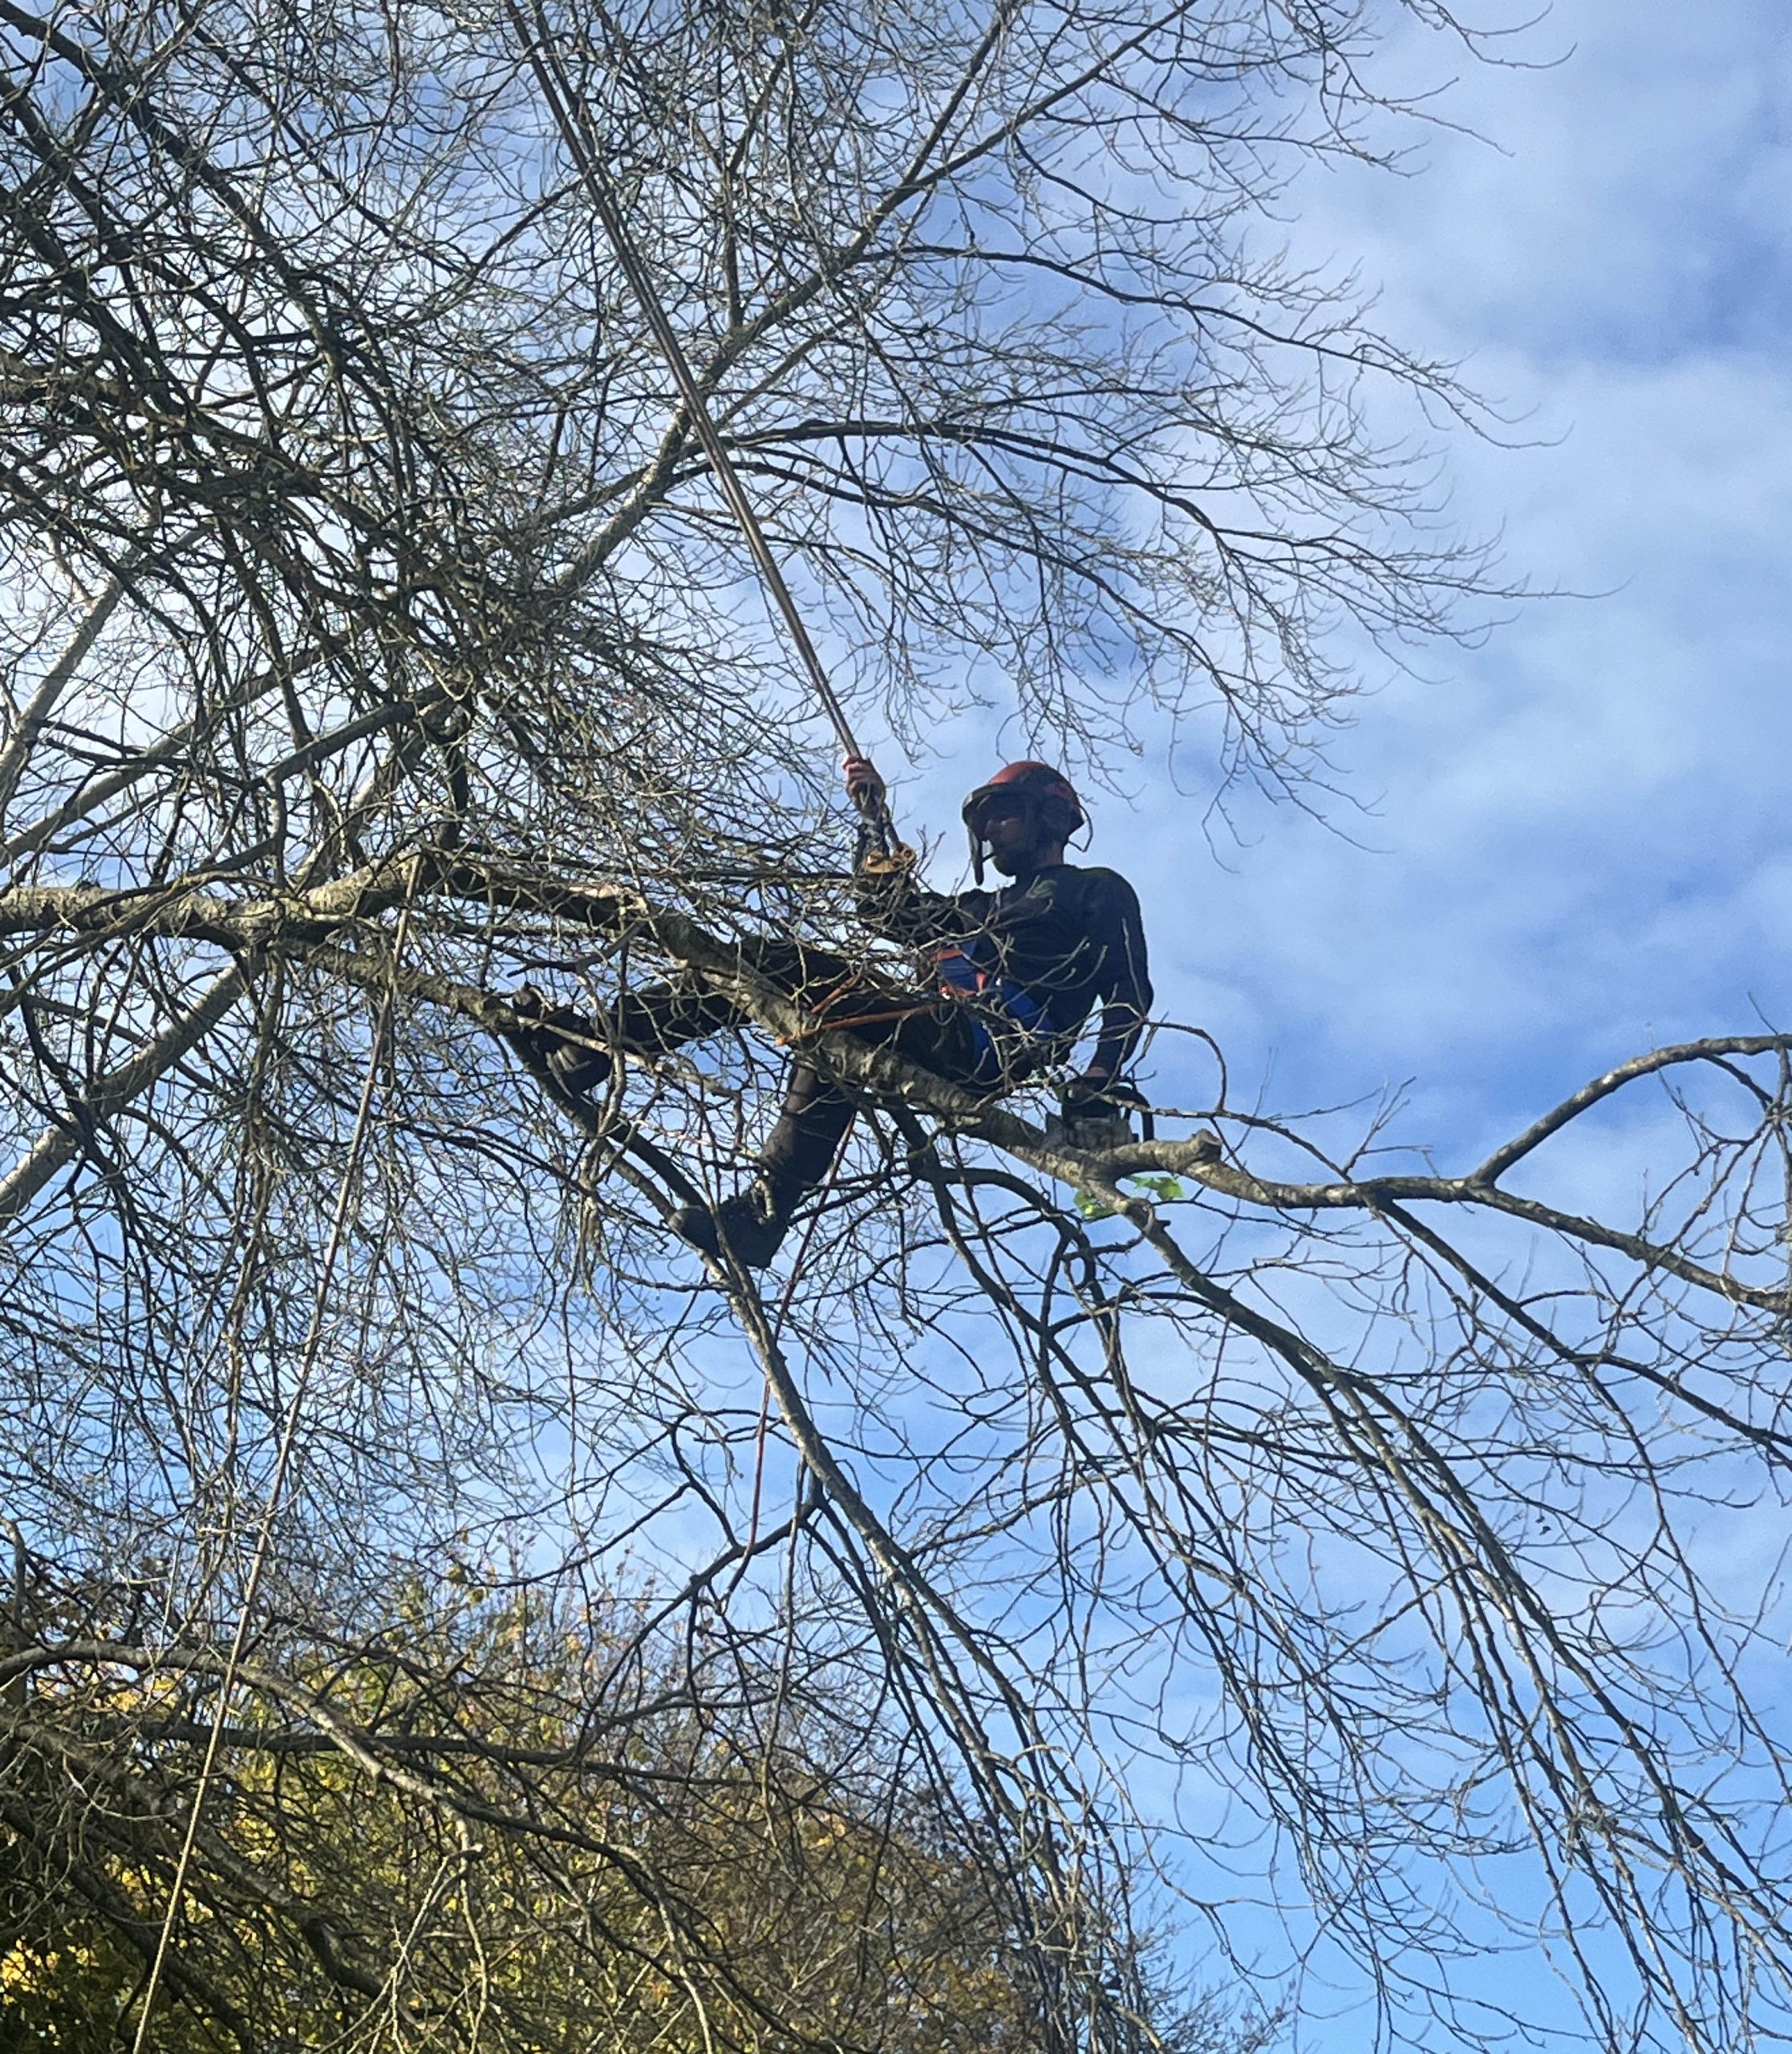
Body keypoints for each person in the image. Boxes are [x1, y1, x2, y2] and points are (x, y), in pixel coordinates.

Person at [511, 758, 1153, 1267]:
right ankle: (764, 1216)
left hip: (989, 1045)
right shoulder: (980, 911)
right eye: (984, 822)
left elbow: (1128, 992)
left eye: (1004, 816)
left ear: (1047, 817)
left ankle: (591, 1049)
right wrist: (873, 817)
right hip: (938, 1026)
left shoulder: (1094, 892)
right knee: (831, 1041)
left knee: (777, 964)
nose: (990, 832)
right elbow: (886, 912)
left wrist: (1098, 1078)